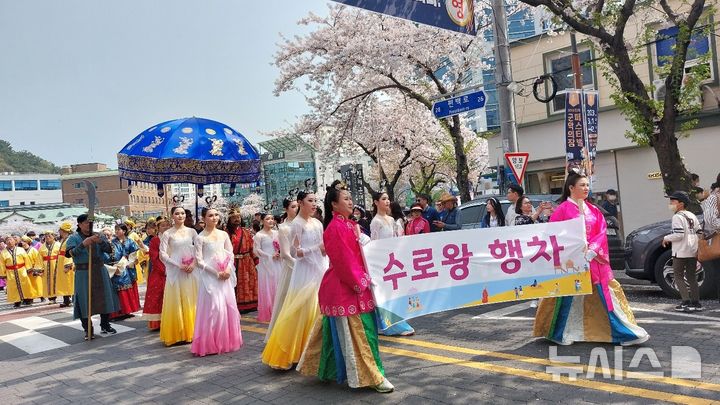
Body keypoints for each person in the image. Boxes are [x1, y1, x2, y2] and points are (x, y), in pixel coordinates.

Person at [297, 180, 394, 393]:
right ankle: (373, 376)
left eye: (351, 198)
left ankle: (325, 369)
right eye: (346, 199)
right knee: (362, 336)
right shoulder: (335, 228)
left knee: (338, 334)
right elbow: (344, 261)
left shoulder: (351, 225)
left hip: (356, 284)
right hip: (347, 288)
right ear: (334, 205)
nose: (351, 202)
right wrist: (360, 282)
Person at [533, 172, 649, 346]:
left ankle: (623, 333)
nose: (586, 188)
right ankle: (559, 333)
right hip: (570, 262)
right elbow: (552, 235)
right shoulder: (562, 210)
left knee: (606, 295)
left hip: (593, 260)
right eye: (582, 185)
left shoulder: (593, 209)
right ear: (571, 188)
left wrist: (593, 250)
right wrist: (572, 247)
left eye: (587, 185)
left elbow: (601, 232)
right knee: (566, 297)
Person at [262, 190, 328, 370]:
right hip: (304, 270)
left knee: (319, 308)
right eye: (310, 201)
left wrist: (324, 251)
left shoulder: (317, 223)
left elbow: (323, 248)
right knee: (302, 309)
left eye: (315, 201)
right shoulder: (296, 225)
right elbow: (295, 253)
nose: (314, 204)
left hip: (320, 267)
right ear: (300, 202)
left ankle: (315, 349)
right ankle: (294, 351)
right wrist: (317, 248)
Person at [192, 206, 243, 356]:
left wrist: (227, 269)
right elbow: (199, 261)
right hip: (210, 277)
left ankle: (226, 340)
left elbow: (230, 253)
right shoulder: (200, 237)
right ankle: (210, 343)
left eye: (216, 215)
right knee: (214, 308)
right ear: (203, 218)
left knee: (227, 306)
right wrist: (215, 273)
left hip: (224, 275)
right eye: (210, 215)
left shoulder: (223, 235)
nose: (214, 218)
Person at [65, 214, 120, 338]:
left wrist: (100, 242)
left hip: (99, 270)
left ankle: (105, 325)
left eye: (90, 223)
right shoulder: (73, 238)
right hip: (83, 272)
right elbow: (70, 254)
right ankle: (88, 329)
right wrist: (83, 244)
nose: (88, 225)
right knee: (84, 300)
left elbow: (109, 250)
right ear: (79, 224)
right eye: (85, 223)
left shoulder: (98, 235)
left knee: (104, 297)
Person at [370, 191, 415, 336]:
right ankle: (389, 325)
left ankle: (396, 322)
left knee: (395, 292)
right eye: (383, 199)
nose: (387, 201)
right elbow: (374, 244)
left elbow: (396, 239)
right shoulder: (375, 222)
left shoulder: (391, 220)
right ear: (376, 202)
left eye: (388, 199)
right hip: (382, 262)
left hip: (393, 260)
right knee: (386, 293)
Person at [159, 206, 199, 346]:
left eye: (182, 213)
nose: (180, 215)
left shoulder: (192, 231)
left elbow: (200, 249)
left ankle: (194, 332)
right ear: (172, 216)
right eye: (177, 213)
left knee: (191, 298)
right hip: (176, 269)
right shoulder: (167, 234)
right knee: (176, 299)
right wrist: (177, 265)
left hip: (191, 269)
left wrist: (194, 264)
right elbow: (162, 254)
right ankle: (177, 333)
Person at [663, 191, 702, 312]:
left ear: (681, 203)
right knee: (691, 277)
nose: (670, 203)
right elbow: (699, 232)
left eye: (673, 201)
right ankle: (696, 302)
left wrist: (666, 238)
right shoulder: (691, 215)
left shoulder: (677, 217)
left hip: (680, 252)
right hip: (692, 250)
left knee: (678, 276)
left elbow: (679, 235)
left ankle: (685, 302)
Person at [265, 198, 298, 341]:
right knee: (287, 301)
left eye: (298, 206)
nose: (296, 209)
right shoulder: (284, 227)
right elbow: (286, 254)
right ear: (286, 209)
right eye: (293, 206)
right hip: (291, 268)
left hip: (307, 266)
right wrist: (298, 265)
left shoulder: (305, 223)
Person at [226, 208, 258, 313]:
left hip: (247, 261)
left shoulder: (246, 231)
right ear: (229, 220)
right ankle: (237, 305)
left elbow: (252, 246)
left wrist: (256, 260)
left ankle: (251, 304)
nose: (236, 219)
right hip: (233, 261)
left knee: (249, 283)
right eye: (234, 218)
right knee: (236, 284)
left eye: (238, 217)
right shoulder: (226, 233)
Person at [108, 224, 142, 319]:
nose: (117, 231)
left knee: (128, 288)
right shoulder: (113, 242)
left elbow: (134, 255)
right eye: (116, 230)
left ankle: (127, 310)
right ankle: (118, 312)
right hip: (117, 267)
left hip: (128, 267)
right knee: (118, 288)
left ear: (124, 231)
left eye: (118, 229)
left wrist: (130, 262)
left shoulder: (130, 242)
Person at [253, 213, 283, 323]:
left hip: (277, 261)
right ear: (262, 221)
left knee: (278, 284)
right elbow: (257, 250)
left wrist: (280, 253)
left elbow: (282, 245)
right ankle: (269, 311)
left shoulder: (277, 233)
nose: (270, 221)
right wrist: (269, 256)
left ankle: (279, 310)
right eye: (267, 219)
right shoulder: (259, 235)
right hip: (266, 264)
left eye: (272, 218)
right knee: (268, 286)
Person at [143, 216, 171, 331]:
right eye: (162, 226)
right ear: (157, 228)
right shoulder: (155, 240)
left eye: (167, 225)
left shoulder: (173, 238)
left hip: (173, 270)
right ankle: (157, 322)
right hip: (160, 272)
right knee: (158, 295)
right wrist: (164, 270)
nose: (165, 227)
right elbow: (154, 258)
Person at [0, 235, 35, 307]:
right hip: (10, 272)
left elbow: (26, 259)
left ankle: (27, 299)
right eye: (8, 240)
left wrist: (29, 269)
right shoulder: (3, 253)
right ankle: (16, 301)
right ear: (6, 242)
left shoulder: (21, 250)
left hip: (21, 270)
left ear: (14, 242)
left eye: (11, 240)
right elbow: (1, 264)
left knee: (25, 284)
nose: (9, 242)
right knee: (13, 286)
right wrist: (3, 274)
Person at [39, 231, 64, 305]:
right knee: (48, 282)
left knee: (59, 281)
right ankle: (51, 298)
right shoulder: (42, 247)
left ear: (54, 236)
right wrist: (39, 269)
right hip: (46, 267)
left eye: (49, 235)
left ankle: (65, 297)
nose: (47, 237)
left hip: (57, 265)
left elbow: (62, 256)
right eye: (46, 236)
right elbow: (39, 259)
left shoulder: (59, 245)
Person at [55, 222, 75, 307]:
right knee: (64, 282)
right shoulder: (64, 240)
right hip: (61, 263)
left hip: (66, 264)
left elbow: (69, 253)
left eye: (60, 230)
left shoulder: (68, 240)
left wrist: (67, 265)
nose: (59, 231)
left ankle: (68, 300)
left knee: (68, 282)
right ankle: (66, 299)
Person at [20, 236, 44, 303]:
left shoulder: (33, 250)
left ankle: (41, 296)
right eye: (21, 241)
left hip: (33, 269)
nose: (21, 242)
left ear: (27, 242)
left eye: (23, 241)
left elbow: (38, 260)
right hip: (24, 270)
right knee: (27, 285)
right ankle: (29, 298)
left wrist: (36, 270)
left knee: (36, 284)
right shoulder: (20, 250)